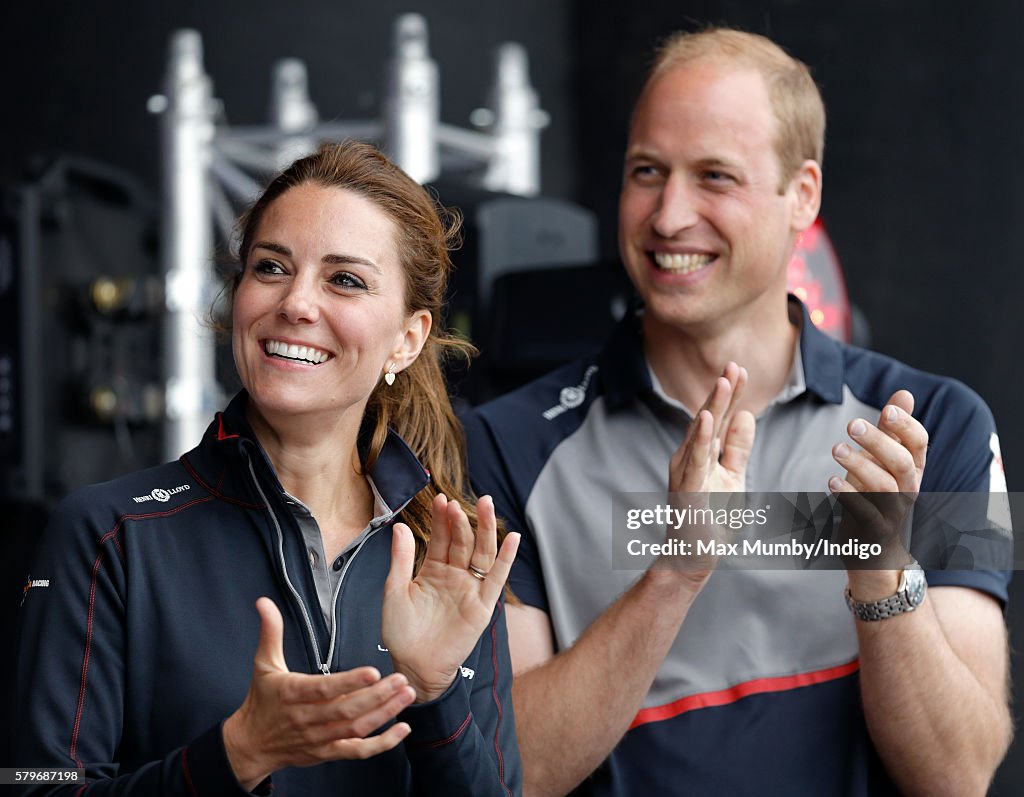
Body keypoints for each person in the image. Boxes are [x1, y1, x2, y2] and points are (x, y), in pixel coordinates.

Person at [463, 28, 1012, 797]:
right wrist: (675, 571)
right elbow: (511, 771)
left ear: (804, 196)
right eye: (646, 171)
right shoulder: (502, 444)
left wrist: (882, 574)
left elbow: (959, 775)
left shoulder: (940, 424)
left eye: (715, 176)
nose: (668, 215)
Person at [14, 141, 522, 796]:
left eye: (344, 279)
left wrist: (434, 695)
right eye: (272, 267)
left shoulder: (447, 564)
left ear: (408, 338)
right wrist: (236, 753)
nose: (296, 303)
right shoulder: (106, 534)